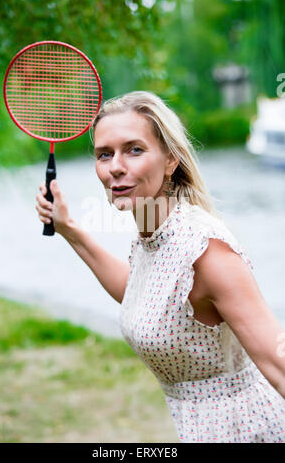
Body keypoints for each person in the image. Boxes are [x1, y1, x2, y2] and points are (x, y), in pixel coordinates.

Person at [36, 91, 285, 443]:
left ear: (170, 160)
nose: (115, 166)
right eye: (104, 154)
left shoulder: (206, 251)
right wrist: (70, 230)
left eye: (134, 149)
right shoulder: (153, 233)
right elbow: (147, 295)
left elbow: (278, 362)